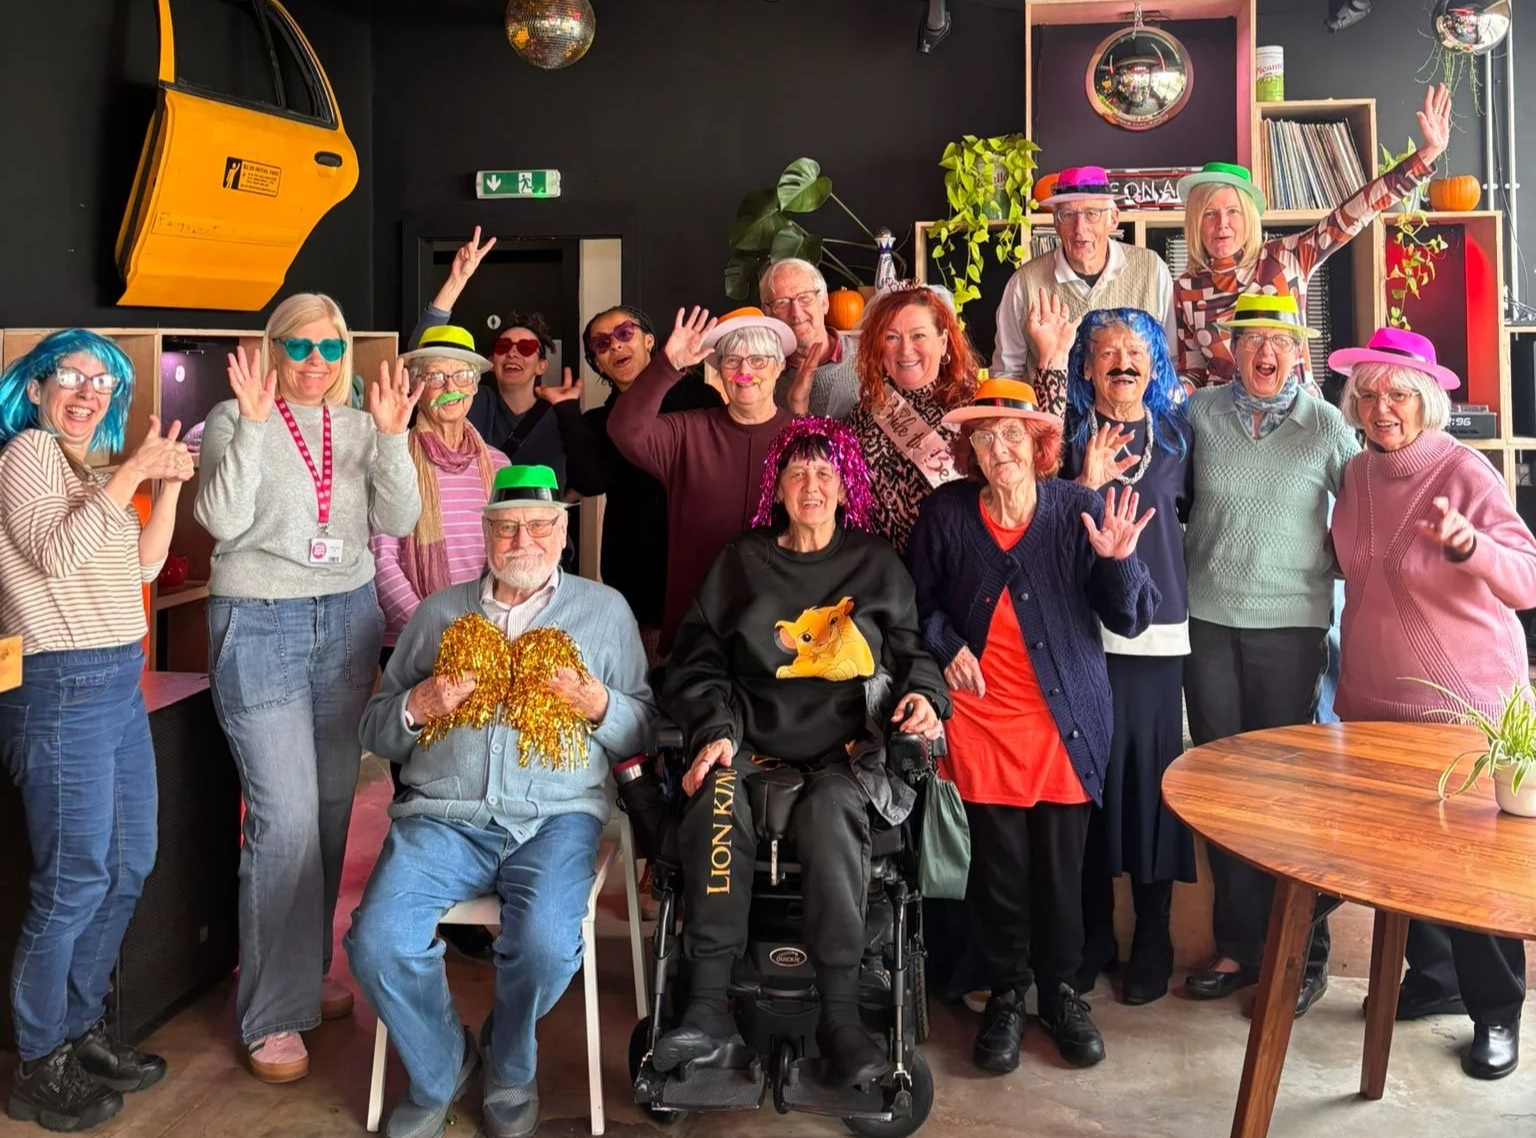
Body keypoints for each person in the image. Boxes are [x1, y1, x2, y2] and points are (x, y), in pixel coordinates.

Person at [347, 464, 655, 1138]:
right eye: (507, 525)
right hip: (441, 817)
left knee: (546, 945)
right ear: (485, 533)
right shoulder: (439, 612)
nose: (524, 538)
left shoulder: (604, 612)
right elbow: (375, 729)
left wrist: (597, 703)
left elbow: (644, 728)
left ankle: (511, 1059)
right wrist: (417, 705)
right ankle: (441, 1065)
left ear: (562, 533)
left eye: (539, 525)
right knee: (375, 942)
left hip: (554, 819)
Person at [655, 418, 948, 1085]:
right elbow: (696, 663)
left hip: (849, 757)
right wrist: (716, 729)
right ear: (776, 489)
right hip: (751, 745)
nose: (811, 486)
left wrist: (927, 698)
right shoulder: (741, 562)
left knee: (831, 806)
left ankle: (841, 1023)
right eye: (797, 473)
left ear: (846, 489)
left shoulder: (874, 563)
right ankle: (708, 1016)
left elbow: (911, 654)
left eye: (825, 474)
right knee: (715, 796)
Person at [194, 292, 422, 1083]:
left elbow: (400, 514)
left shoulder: (363, 426)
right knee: (283, 822)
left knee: (328, 813)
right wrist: (254, 425)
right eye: (298, 349)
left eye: (329, 349)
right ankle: (272, 1012)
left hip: (346, 620)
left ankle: (306, 971)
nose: (315, 364)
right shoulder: (232, 417)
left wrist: (393, 439)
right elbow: (221, 521)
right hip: (258, 623)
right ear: (273, 350)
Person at [907, 378, 1160, 1073]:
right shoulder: (948, 513)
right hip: (983, 722)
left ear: (1040, 444)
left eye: (1013, 435)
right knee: (999, 874)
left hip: (1063, 725)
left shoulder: (1078, 507)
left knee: (1060, 872)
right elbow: (915, 603)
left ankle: (1063, 995)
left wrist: (1119, 561)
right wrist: (947, 644)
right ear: (972, 451)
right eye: (985, 438)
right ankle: (1008, 997)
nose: (999, 449)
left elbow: (1132, 616)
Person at [0, 331, 191, 1131]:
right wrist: (135, 475)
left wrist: (167, 485)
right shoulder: (28, 455)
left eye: (103, 381)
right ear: (37, 387)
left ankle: (78, 1032)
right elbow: (52, 554)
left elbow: (142, 567)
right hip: (58, 685)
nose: (87, 392)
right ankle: (38, 1060)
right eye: (70, 377)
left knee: (125, 864)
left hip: (113, 677)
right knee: (75, 878)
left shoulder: (87, 472)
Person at [1330, 326, 1531, 1081]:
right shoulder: (1353, 474)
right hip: (1376, 701)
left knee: (1473, 868)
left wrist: (1471, 546)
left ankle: (1498, 1013)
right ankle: (1436, 978)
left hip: (1464, 703)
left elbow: (1528, 578)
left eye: (1401, 395)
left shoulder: (1465, 470)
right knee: (1405, 861)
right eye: (1371, 395)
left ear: (1429, 402)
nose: (1384, 408)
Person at [1180, 292, 1359, 1015]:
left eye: (1278, 340)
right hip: (1208, 623)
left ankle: (1301, 957)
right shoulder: (1198, 415)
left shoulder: (1328, 428)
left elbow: (1368, 512)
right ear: (1231, 348)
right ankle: (1240, 945)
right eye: (1251, 338)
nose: (1264, 352)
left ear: (1297, 352)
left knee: (1290, 795)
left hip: (1292, 628)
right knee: (1225, 790)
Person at [1058, 309, 1195, 1006]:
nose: (1120, 360)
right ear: (1084, 367)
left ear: (1154, 364)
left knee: (1150, 790)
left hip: (1158, 637)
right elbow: (1047, 530)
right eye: (1104, 350)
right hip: (1080, 636)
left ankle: (1154, 935)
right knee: (1088, 789)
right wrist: (1082, 477)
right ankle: (1091, 937)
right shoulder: (1061, 441)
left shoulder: (1179, 437)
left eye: (1134, 350)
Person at [1173, 84, 1450, 392]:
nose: (1221, 224)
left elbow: (1357, 211)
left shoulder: (1287, 256)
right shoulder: (1186, 289)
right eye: (1209, 214)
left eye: (1232, 212)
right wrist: (1172, 393)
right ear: (1196, 223)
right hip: (1225, 423)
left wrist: (1426, 156)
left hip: (1298, 419)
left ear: (1249, 218)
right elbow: (1194, 369)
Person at [608, 306, 794, 653]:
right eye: (732, 361)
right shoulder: (687, 431)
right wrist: (667, 366)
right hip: (697, 634)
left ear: (779, 366)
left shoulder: (802, 437)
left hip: (781, 637)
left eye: (758, 360)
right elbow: (626, 430)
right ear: (718, 371)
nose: (744, 372)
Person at [538, 304, 722, 654]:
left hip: (702, 577)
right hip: (635, 580)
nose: (615, 346)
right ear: (597, 363)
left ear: (649, 341)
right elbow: (590, 480)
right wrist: (566, 412)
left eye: (624, 334)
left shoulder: (700, 399)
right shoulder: (598, 422)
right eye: (602, 344)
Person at [371, 324, 510, 670]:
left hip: (489, 636)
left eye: (462, 375)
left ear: (476, 386)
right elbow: (381, 561)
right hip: (412, 640)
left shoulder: (498, 464)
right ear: (417, 387)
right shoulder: (392, 455)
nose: (451, 387)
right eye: (435, 377)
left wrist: (488, 632)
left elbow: (512, 555)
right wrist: (435, 632)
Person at [406, 229, 568, 483]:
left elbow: (585, 478)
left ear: (542, 366)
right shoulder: (473, 399)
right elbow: (424, 357)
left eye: (525, 348)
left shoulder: (557, 416)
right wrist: (456, 280)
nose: (512, 352)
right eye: (503, 346)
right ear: (492, 362)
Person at [991, 166, 1176, 384]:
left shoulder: (1152, 269)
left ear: (1113, 219)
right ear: (1056, 224)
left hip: (1137, 415)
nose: (1080, 228)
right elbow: (1006, 375)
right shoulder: (1024, 284)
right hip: (1052, 416)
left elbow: (1170, 361)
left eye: (1092, 214)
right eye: (1068, 215)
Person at [845, 285, 977, 552]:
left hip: (957, 566)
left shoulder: (974, 410)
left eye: (918, 336)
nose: (905, 350)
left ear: (943, 342)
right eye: (891, 337)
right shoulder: (861, 414)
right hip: (885, 577)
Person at [759, 257, 862, 418]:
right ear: (767, 314)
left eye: (805, 297)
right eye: (782, 303)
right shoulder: (763, 376)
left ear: (824, 302)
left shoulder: (868, 358)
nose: (796, 313)